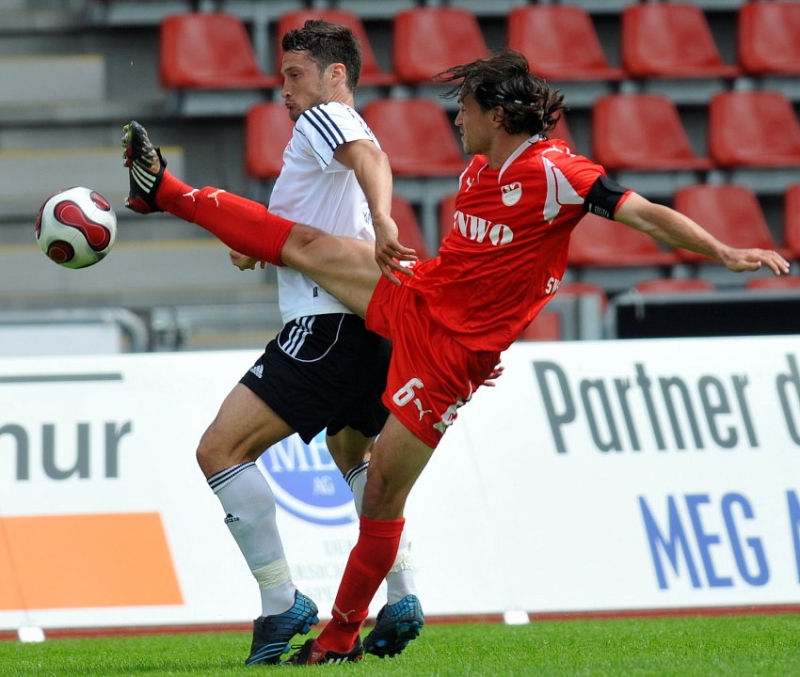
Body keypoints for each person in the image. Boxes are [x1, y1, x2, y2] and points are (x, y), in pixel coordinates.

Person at [122, 48, 790, 664]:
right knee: (307, 246)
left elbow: (645, 215)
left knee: (382, 491)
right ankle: (167, 192)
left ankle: (339, 632)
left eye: (465, 109)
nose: (456, 120)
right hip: (420, 294)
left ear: (497, 114)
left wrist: (727, 253)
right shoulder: (477, 166)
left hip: (445, 360)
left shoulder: (558, 172)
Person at [131, 20, 424, 665]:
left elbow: (372, 163)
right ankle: (400, 592)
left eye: (295, 75)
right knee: (355, 453)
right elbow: (301, 229)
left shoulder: (324, 121)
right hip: (369, 327)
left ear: (335, 75)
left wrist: (383, 220)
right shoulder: (334, 137)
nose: (284, 89)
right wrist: (259, 252)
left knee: (220, 449)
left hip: (325, 328)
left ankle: (280, 601)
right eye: (283, 76)